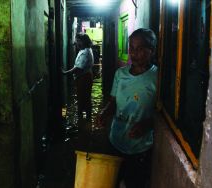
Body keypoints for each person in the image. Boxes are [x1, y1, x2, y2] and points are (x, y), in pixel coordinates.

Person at [97, 28, 158, 187]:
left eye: (140, 49)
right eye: (131, 48)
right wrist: (104, 112)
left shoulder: (157, 77)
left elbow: (161, 113)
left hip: (140, 148)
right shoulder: (120, 74)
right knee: (111, 181)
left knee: (135, 183)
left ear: (151, 51)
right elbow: (113, 102)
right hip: (115, 140)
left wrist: (147, 124)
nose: (133, 53)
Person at [62, 33, 94, 119]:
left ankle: (84, 120)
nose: (76, 43)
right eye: (76, 40)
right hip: (84, 77)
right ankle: (85, 119)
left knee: (84, 99)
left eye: (78, 41)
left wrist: (65, 73)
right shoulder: (84, 50)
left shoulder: (86, 52)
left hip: (84, 78)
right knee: (84, 98)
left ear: (83, 42)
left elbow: (78, 68)